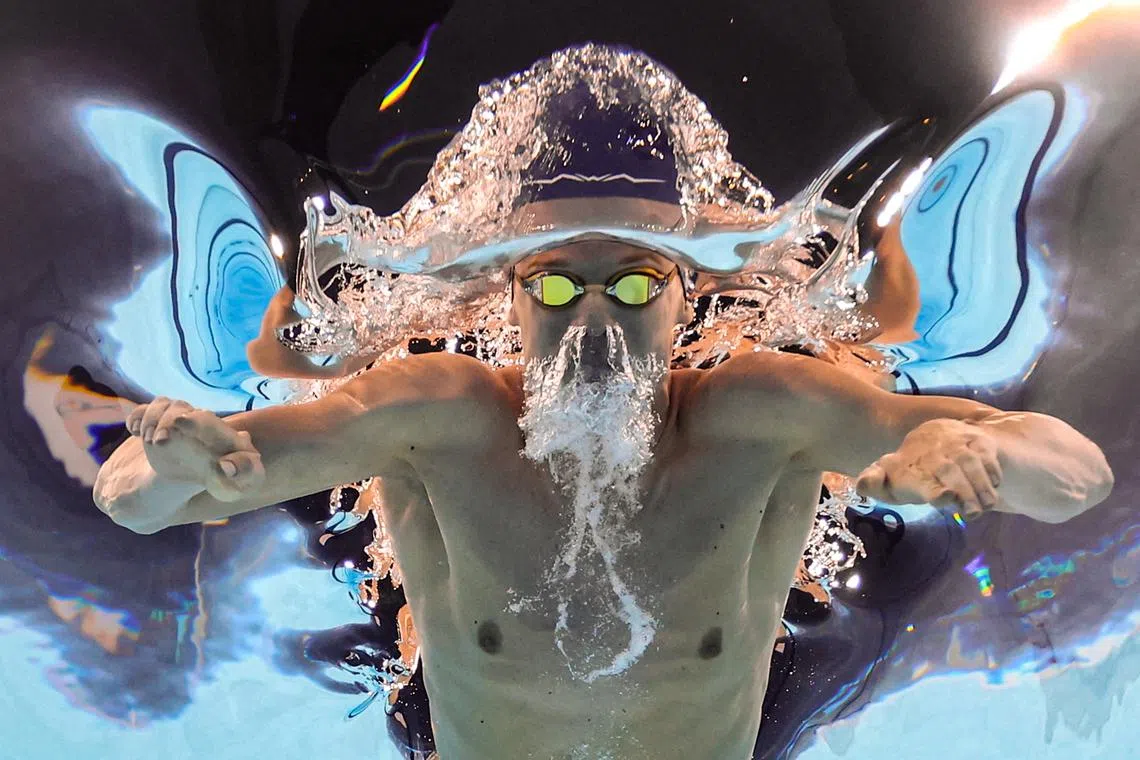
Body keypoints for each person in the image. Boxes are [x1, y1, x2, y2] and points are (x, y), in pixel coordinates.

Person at [92, 67, 1115, 760]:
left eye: (629, 289)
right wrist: (181, 466)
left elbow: (1078, 477)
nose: (590, 317)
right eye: (551, 288)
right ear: (507, 304)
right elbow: (133, 500)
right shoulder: (433, 413)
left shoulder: (764, 412)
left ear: (681, 304)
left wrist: (969, 454)